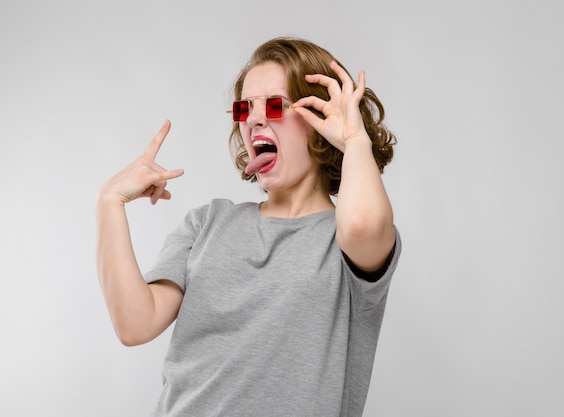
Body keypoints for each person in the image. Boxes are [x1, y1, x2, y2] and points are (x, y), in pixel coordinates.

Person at [96, 36, 401, 417]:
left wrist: (354, 140)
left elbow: (362, 224)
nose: (254, 118)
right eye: (244, 107)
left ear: (322, 118)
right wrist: (110, 203)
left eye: (275, 105)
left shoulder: (342, 240)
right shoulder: (207, 223)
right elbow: (134, 324)